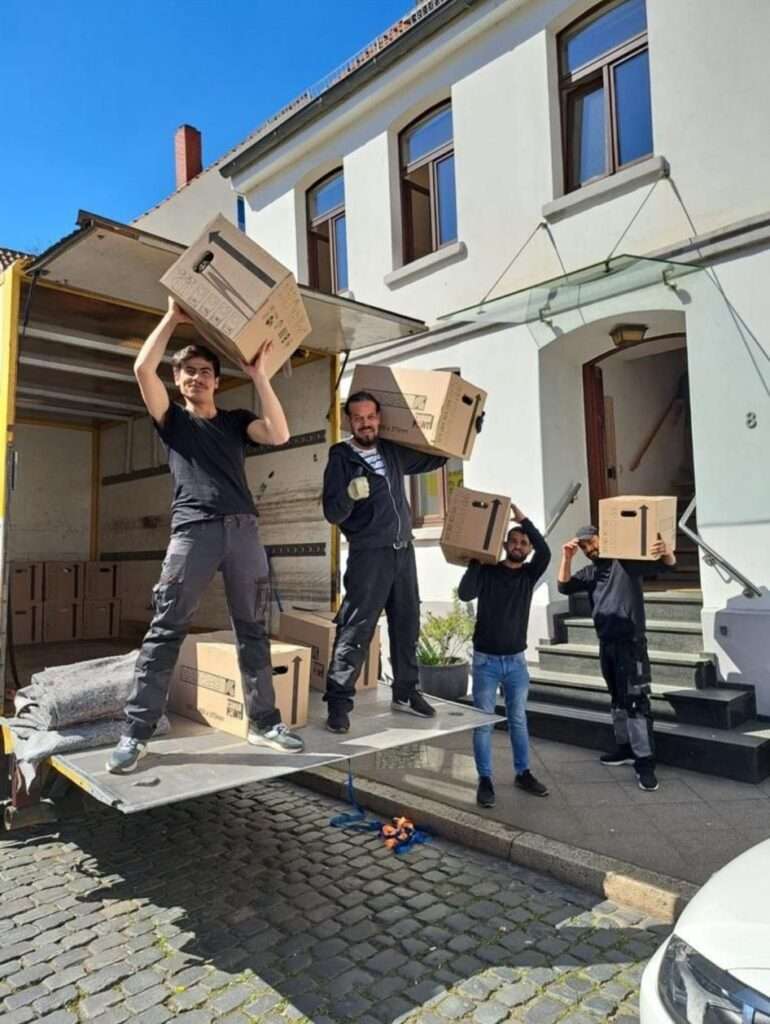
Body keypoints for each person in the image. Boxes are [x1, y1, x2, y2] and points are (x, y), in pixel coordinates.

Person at [107, 298, 304, 773]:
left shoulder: (236, 422)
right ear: (178, 381)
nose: (196, 377)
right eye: (187, 372)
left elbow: (279, 434)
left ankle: (264, 723)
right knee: (166, 628)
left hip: (244, 533)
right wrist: (171, 318)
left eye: (204, 372)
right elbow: (141, 368)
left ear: (217, 380)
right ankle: (135, 733)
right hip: (192, 534)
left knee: (253, 629)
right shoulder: (173, 421)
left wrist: (259, 377)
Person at [322, 391, 447, 733]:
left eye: (371, 416)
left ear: (379, 418)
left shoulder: (392, 451)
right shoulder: (341, 457)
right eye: (358, 418)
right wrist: (348, 495)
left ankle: (406, 692)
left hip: (403, 551)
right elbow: (332, 512)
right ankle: (338, 703)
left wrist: (464, 432)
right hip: (369, 555)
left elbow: (435, 459)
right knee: (356, 628)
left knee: (407, 624)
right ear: (350, 421)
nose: (366, 423)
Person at [557, 525, 677, 792]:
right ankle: (624, 749)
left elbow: (666, 566)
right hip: (607, 643)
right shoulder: (591, 572)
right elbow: (564, 586)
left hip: (631, 644)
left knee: (636, 702)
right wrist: (566, 556)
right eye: (584, 546)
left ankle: (644, 764)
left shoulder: (626, 562)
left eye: (591, 542)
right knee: (617, 699)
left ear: (603, 537)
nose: (589, 549)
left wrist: (666, 552)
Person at [458, 507, 551, 808]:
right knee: (483, 723)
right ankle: (485, 779)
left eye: (524, 543)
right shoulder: (488, 571)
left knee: (518, 720)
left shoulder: (529, 575)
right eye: (514, 541)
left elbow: (546, 552)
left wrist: (524, 520)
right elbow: (464, 594)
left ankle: (523, 773)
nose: (519, 546)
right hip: (485, 663)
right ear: (504, 544)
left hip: (515, 663)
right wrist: (476, 558)